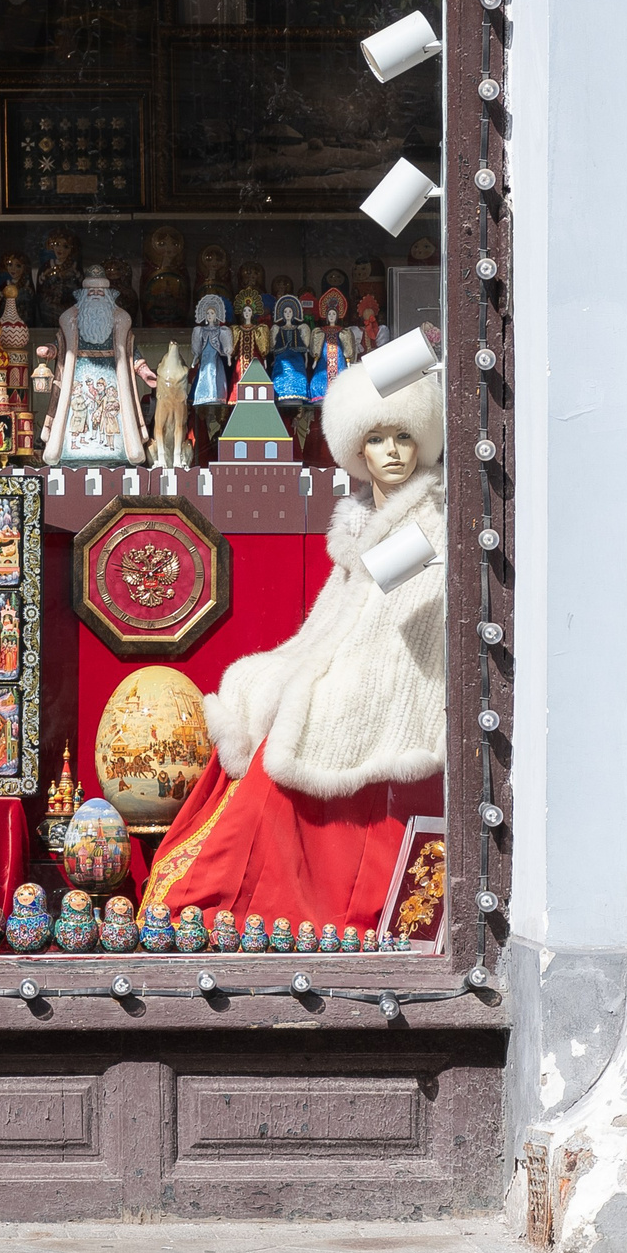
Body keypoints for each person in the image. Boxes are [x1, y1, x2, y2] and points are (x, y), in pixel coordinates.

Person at [138, 358, 446, 933]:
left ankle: (241, 894)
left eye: (405, 436)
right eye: (376, 438)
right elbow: (330, 625)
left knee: (305, 712)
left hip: (399, 680)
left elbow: (397, 633)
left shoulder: (428, 522)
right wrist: (286, 671)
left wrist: (316, 681)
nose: (393, 452)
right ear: (357, 448)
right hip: (358, 662)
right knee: (256, 684)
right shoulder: (363, 524)